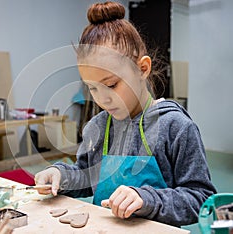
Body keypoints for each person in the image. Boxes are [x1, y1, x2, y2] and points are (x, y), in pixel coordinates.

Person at [35, 1, 216, 227]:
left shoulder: (175, 127)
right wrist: (60, 176)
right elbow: (86, 177)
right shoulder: (98, 127)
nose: (102, 99)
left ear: (142, 69)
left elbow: (202, 200)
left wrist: (147, 199)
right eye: (92, 88)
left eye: (111, 85)